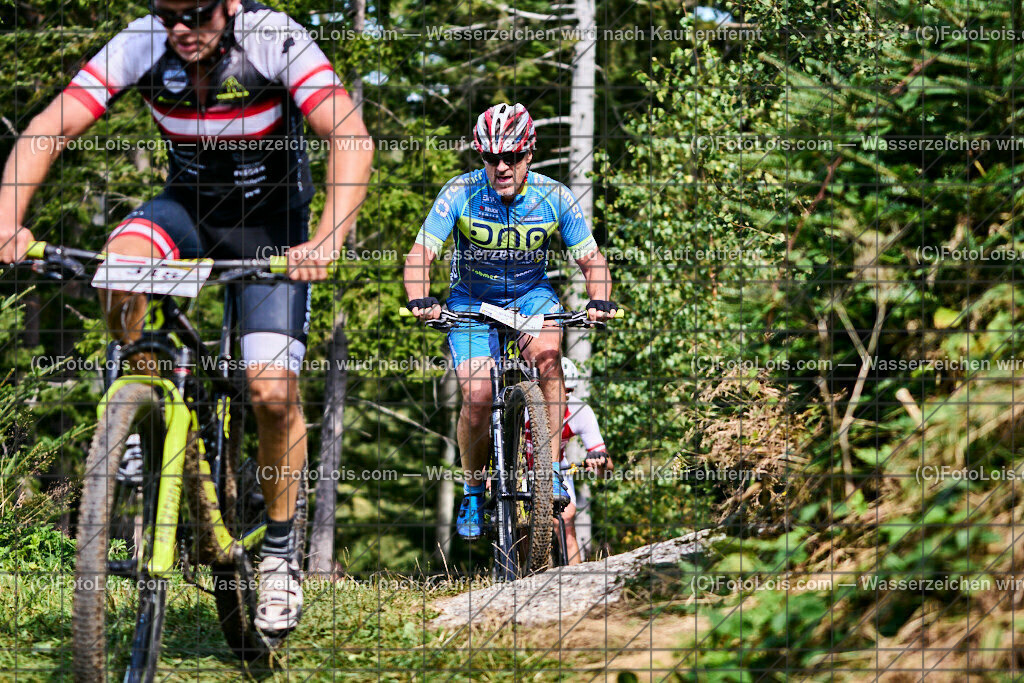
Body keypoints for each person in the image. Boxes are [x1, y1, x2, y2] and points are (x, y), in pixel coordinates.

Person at [0, 0, 373, 635]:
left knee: (271, 392)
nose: (180, 28)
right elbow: (50, 126)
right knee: (119, 263)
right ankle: (137, 402)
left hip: (271, 225)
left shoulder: (272, 36)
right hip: (188, 211)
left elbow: (349, 137)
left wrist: (328, 238)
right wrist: (8, 218)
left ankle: (281, 556)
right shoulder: (143, 41)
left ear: (227, 4)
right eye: (166, 12)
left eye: (196, 12)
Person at [403, 102, 616, 541]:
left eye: (512, 156)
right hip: (472, 303)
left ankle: (551, 471)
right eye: (490, 157)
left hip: (530, 299)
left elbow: (591, 260)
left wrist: (600, 299)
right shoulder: (459, 193)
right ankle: (472, 491)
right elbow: (419, 255)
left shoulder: (553, 196)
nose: (501, 166)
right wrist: (420, 297)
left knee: (550, 363)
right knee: (478, 397)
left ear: (530, 154)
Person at [526, 358, 611, 565]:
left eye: (569, 391)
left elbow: (608, 471)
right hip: (520, 468)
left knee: (566, 519)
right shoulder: (526, 406)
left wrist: (600, 462)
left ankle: (576, 578)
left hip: (557, 468)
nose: (562, 396)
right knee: (523, 528)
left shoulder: (579, 411)